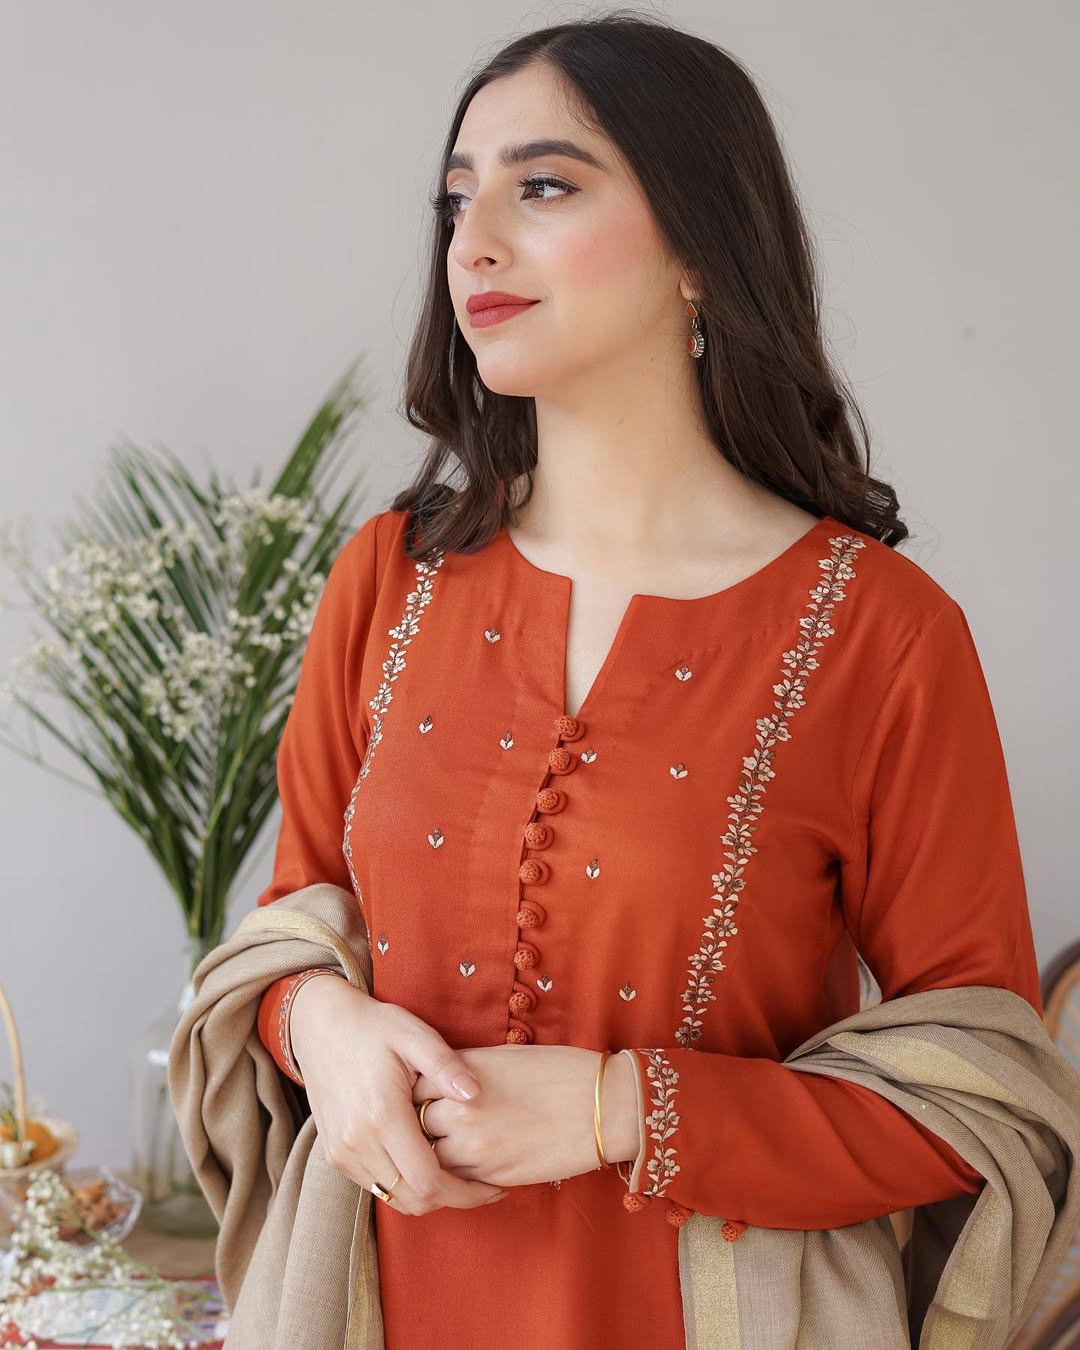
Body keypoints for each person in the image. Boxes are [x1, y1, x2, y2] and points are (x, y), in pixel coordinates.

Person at [250, 13, 1043, 1348]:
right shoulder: (389, 578)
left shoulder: (881, 635)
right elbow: (291, 930)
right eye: (455, 199)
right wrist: (318, 1021)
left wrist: (621, 1109)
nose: (472, 241)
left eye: (544, 187)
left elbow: (977, 1096)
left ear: (698, 247)